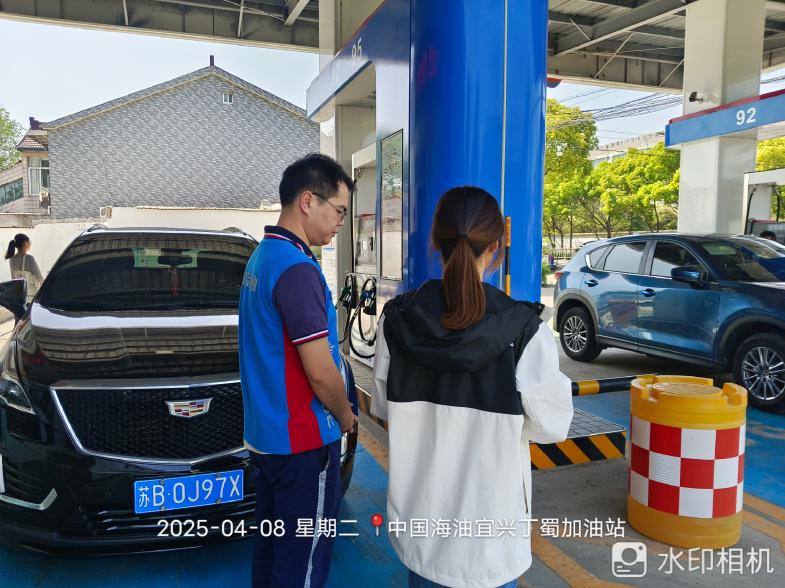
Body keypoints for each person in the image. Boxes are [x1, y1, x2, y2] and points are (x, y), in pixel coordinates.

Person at [371, 186, 573, 588]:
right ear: (495, 247)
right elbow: (553, 426)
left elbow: (383, 407)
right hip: (490, 545)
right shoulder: (523, 330)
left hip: (421, 535)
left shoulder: (396, 320)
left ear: (435, 242)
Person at [239, 153, 358, 588]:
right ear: (308, 201)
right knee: (303, 562)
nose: (341, 222)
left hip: (268, 439)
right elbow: (321, 371)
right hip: (303, 444)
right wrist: (345, 416)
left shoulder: (262, 258)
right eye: (339, 210)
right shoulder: (297, 269)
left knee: (272, 550)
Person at [5, 233, 44, 302]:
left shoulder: (12, 259)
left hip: (18, 296)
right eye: (29, 241)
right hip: (30, 297)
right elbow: (39, 277)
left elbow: (13, 278)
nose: (30, 243)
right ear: (25, 243)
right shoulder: (30, 258)